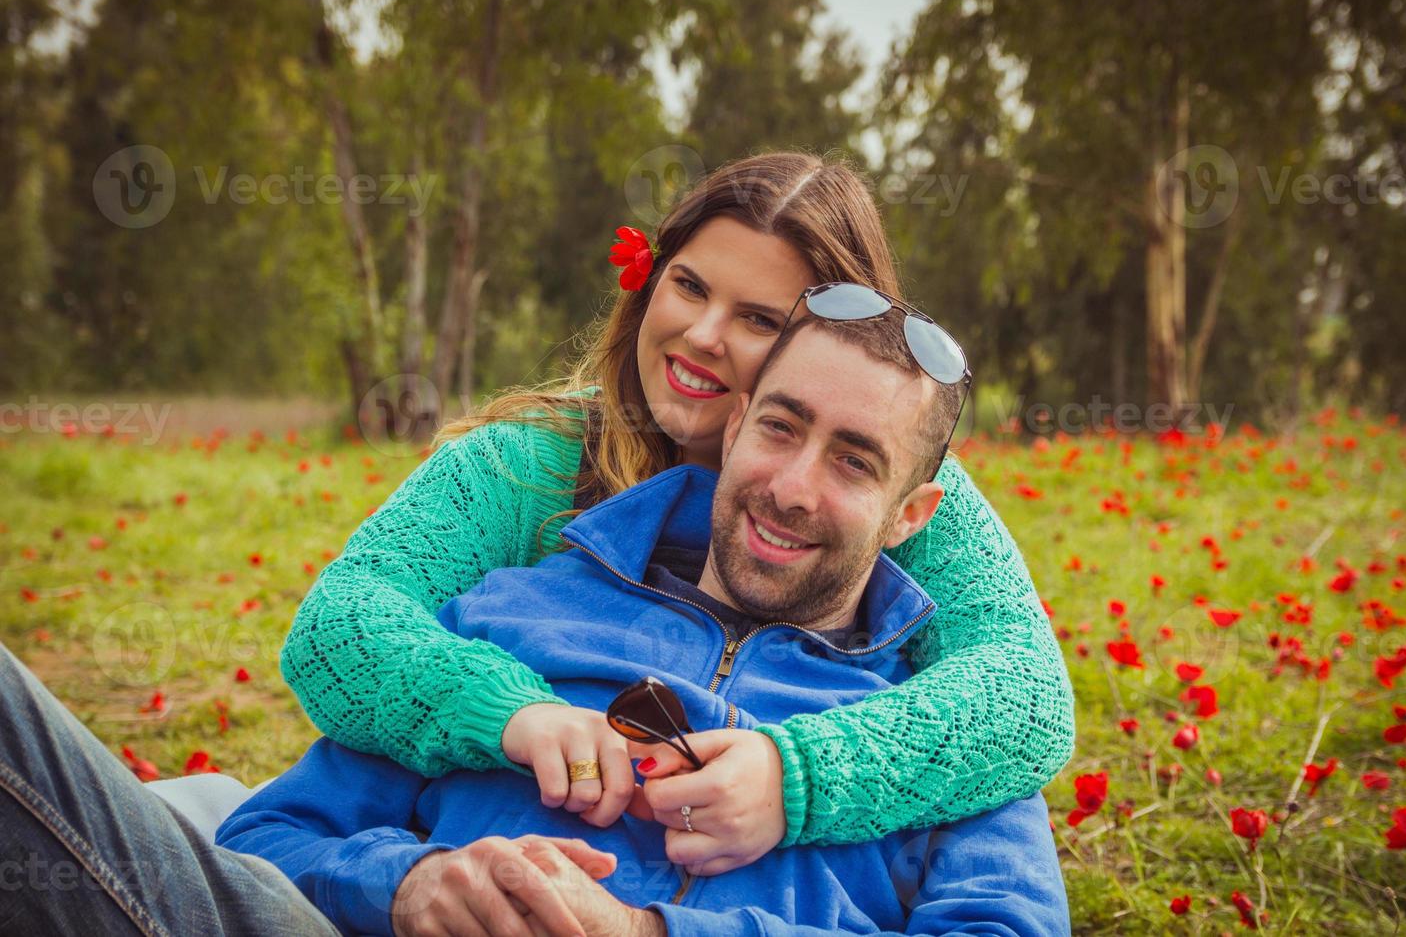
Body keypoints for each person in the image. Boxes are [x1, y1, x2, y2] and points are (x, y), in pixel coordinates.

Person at [276, 151, 1076, 877]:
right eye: (690, 286)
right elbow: (342, 625)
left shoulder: (879, 496)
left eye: (759, 319)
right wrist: (512, 710)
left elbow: (1027, 694)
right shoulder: (525, 461)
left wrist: (796, 777)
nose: (701, 335)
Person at [217, 305, 1070, 936]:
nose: (791, 487)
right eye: (781, 427)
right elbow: (258, 844)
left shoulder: (947, 737)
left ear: (910, 516)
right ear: (734, 426)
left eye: (854, 461)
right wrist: (407, 887)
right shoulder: (518, 613)